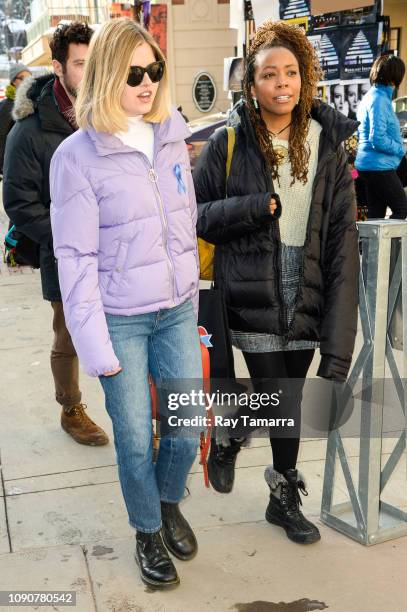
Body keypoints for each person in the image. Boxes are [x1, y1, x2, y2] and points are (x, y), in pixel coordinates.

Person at [50, 18, 202, 589]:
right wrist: (94, 348)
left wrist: (191, 280)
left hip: (179, 308)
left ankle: (166, 503)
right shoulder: (76, 157)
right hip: (121, 318)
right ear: (108, 75)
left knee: (185, 428)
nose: (147, 82)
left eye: (154, 69)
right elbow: (76, 259)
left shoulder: (170, 132)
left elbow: (182, 220)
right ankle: (147, 530)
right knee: (136, 435)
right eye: (134, 72)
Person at [194, 20, 359, 545]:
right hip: (249, 283)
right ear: (252, 82)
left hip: (306, 284)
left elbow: (341, 238)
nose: (281, 83)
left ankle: (272, 483)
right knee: (279, 393)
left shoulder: (328, 143)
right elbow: (191, 215)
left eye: (291, 72)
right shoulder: (229, 140)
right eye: (269, 74)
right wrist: (252, 208)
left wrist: (338, 335)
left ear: (306, 76)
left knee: (288, 396)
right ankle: (246, 440)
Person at [3, 23, 109, 446]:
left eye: (95, 63)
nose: (90, 72)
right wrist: (72, 239)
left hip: (120, 251)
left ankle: (142, 416)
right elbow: (20, 203)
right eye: (81, 64)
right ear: (58, 66)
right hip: (65, 254)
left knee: (132, 334)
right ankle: (71, 408)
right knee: (69, 334)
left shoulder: (111, 116)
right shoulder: (29, 132)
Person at [356, 54, 407, 219]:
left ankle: (369, 246)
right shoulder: (379, 100)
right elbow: (377, 138)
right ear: (395, 76)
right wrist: (400, 149)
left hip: (370, 166)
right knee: (401, 209)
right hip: (379, 167)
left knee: (376, 216)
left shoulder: (373, 96)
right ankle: (390, 246)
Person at [0, 62, 31, 175]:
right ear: (13, 81)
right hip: (11, 167)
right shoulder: (7, 105)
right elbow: (2, 137)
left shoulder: (28, 102)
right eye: (22, 78)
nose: (26, 82)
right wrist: (4, 167)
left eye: (29, 78)